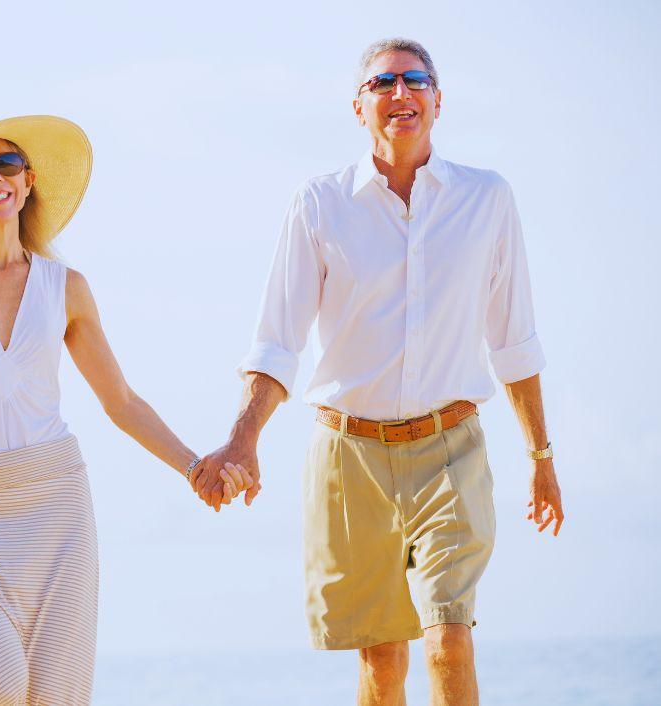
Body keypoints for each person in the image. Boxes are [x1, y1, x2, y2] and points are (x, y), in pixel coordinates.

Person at [191, 39, 564, 705]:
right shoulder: (319, 203)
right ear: (358, 106)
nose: (401, 92)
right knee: (382, 664)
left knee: (448, 638)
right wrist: (243, 437)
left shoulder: (487, 200)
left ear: (438, 100)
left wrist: (541, 454)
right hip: (350, 456)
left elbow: (514, 342)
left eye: (416, 79)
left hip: (450, 452)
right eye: (383, 82)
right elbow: (277, 343)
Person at [0, 115, 250, 706]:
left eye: (8, 164)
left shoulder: (65, 286)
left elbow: (120, 401)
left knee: (56, 695)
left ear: (28, 181)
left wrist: (195, 465)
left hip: (57, 506)